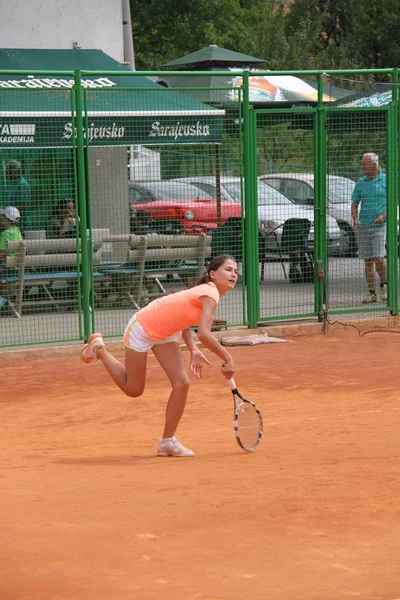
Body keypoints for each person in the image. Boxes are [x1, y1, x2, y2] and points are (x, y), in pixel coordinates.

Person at [80, 254, 238, 457]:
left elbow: (183, 320)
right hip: (143, 328)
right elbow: (204, 333)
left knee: (181, 384)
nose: (233, 274)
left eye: (235, 271)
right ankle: (99, 349)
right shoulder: (210, 293)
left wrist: (193, 349)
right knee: (134, 389)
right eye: (228, 269)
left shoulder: (207, 293)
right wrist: (228, 358)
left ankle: (167, 442)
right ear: (213, 274)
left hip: (165, 331)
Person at [351, 153, 387, 304]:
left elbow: (392, 202)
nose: (362, 166)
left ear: (374, 165)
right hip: (364, 225)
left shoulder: (385, 179)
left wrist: (383, 216)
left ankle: (384, 286)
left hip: (380, 226)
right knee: (367, 260)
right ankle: (371, 293)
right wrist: (355, 218)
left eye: (364, 163)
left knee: (378, 257)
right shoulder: (361, 182)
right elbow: (354, 203)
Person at [0, 207, 22, 311]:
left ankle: (2, 300)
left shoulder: (5, 234)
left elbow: (1, 254)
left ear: (7, 219)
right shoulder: (18, 231)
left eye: (2, 216)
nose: (0, 218)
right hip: (17, 271)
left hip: (7, 271)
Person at [5, 160, 31, 233]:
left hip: (19, 225)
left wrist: (11, 221)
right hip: (11, 224)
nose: (7, 174)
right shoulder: (12, 185)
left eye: (9, 172)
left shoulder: (22, 185)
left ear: (16, 172)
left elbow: (22, 206)